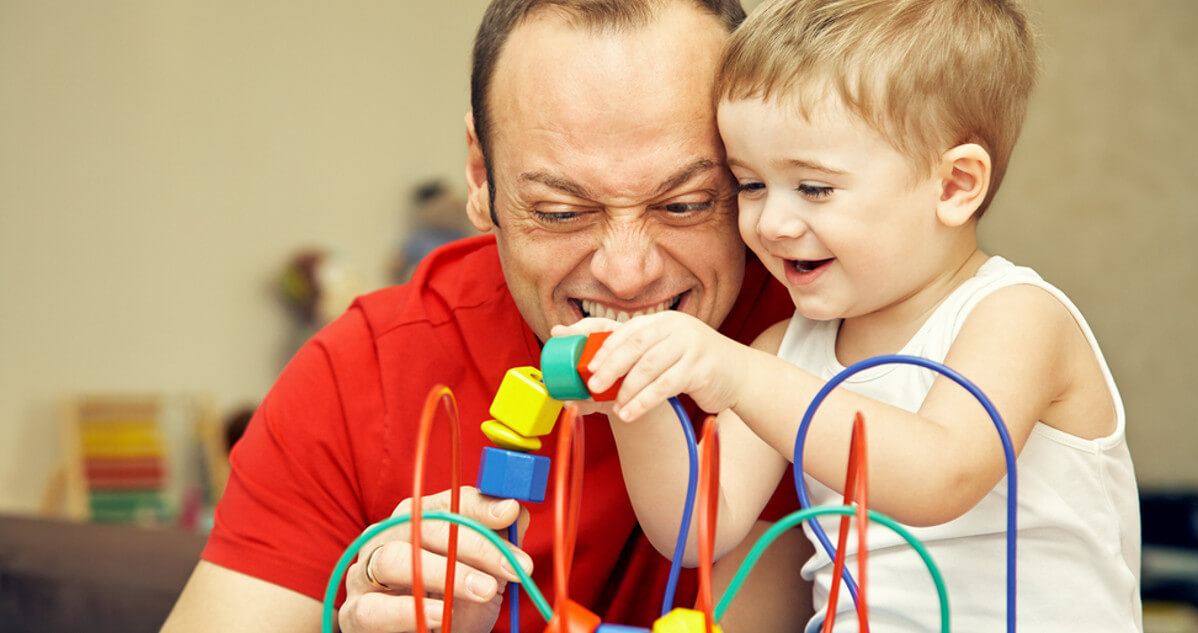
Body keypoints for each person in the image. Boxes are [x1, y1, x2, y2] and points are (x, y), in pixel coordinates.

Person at [160, 2, 808, 633]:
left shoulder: (834, 342)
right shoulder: (362, 372)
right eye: (561, 211)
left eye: (687, 204)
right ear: (479, 175)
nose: (627, 272)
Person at [556, 0, 1142, 630]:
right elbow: (696, 526)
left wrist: (741, 377)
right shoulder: (788, 348)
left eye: (814, 188)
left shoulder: (1017, 317)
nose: (771, 223)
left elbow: (939, 476)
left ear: (954, 186)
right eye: (750, 184)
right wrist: (631, 393)